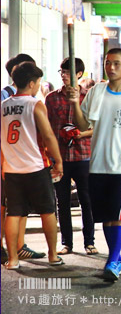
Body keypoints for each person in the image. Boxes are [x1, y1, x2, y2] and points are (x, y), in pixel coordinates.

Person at [67, 48, 121, 281]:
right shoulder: (97, 91)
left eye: (117, 63)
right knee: (107, 216)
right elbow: (82, 122)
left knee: (120, 213)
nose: (111, 67)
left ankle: (113, 259)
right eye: (108, 63)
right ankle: (114, 258)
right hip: (98, 164)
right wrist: (75, 103)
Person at [2, 62, 64, 270]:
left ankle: (12, 259)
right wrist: (58, 160)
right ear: (31, 83)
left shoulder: (3, 106)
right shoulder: (35, 104)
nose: (39, 85)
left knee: (14, 213)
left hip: (11, 168)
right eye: (38, 82)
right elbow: (47, 135)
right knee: (47, 211)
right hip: (36, 167)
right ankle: (53, 255)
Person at [45, 58, 96, 256]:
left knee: (87, 200)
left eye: (68, 72)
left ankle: (89, 242)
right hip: (60, 157)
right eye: (62, 71)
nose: (64, 75)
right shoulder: (51, 98)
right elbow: (47, 127)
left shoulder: (88, 97)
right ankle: (66, 243)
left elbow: (96, 127)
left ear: (79, 74)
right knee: (62, 201)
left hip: (83, 155)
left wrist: (79, 134)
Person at [1, 53, 47, 264]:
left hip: (12, 163)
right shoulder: (11, 98)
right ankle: (10, 249)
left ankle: (18, 248)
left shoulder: (8, 98)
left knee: (16, 209)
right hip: (16, 162)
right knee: (10, 209)